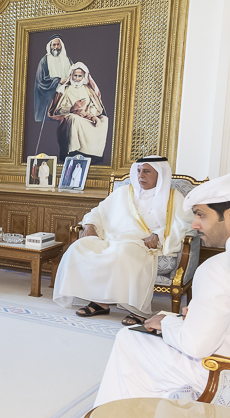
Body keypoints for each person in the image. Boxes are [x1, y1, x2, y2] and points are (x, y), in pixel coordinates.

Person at [93, 173, 230, 406]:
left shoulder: (217, 269)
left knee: (130, 339)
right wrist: (195, 315)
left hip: (218, 371)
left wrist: (168, 322)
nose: (195, 225)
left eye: (200, 215)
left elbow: (195, 346)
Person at [53, 157, 192, 325]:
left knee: (123, 252)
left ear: (160, 174)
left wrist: (159, 234)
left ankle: (137, 310)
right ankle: (99, 302)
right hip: (113, 238)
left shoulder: (173, 197)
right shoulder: (124, 192)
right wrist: (89, 225)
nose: (141, 175)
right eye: (139, 171)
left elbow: (184, 224)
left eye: (146, 171)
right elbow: (97, 211)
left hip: (142, 243)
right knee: (79, 247)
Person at [48, 62, 109, 160]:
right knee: (74, 118)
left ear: (84, 77)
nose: (77, 78)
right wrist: (73, 109)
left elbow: (96, 106)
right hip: (73, 116)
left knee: (104, 120)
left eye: (80, 76)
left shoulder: (88, 90)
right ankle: (74, 151)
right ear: (71, 75)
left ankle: (94, 153)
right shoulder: (65, 90)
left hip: (87, 118)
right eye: (75, 75)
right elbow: (59, 110)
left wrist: (91, 115)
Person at [33, 35, 74, 122]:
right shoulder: (44, 61)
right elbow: (40, 81)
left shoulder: (67, 59)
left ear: (61, 45)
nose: (55, 47)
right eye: (53, 45)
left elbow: (75, 74)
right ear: (50, 46)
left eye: (57, 45)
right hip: (50, 96)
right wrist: (58, 80)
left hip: (65, 95)